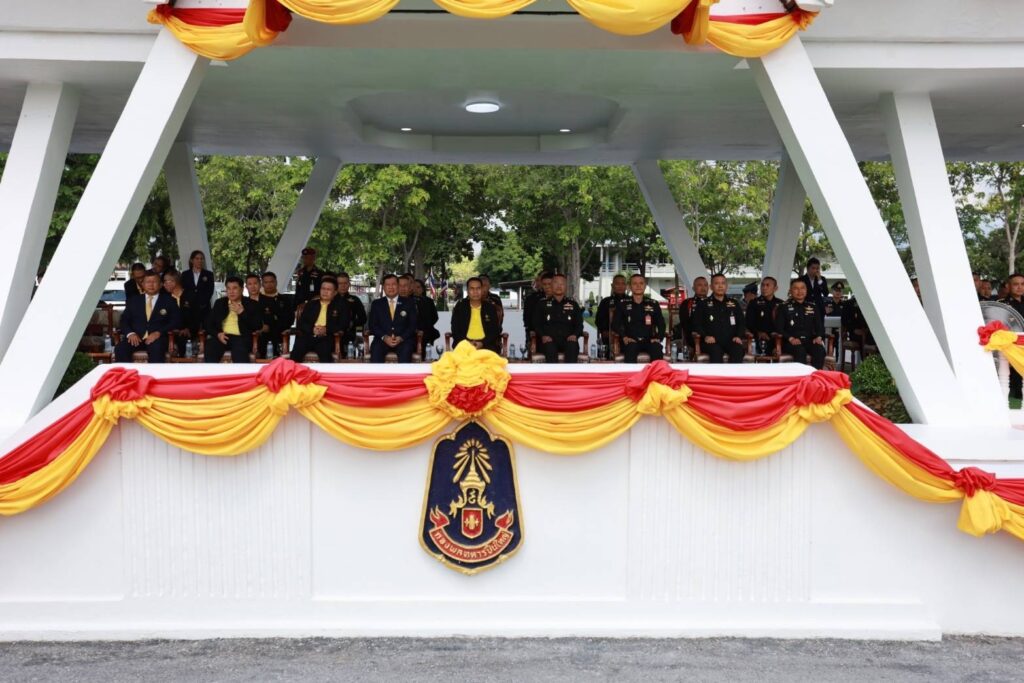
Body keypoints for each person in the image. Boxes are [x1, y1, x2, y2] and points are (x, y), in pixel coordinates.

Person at [114, 270, 180, 363]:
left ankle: (153, 373)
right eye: (148, 282)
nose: (151, 285)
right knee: (120, 348)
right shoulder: (134, 300)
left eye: (154, 282)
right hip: (136, 338)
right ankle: (127, 373)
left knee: (157, 348)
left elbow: (176, 321)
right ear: (143, 284)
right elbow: (124, 320)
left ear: (161, 284)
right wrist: (130, 333)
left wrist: (159, 332)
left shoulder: (169, 301)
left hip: (157, 339)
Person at [289, 277, 348, 363]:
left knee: (325, 353)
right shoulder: (311, 304)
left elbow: (343, 324)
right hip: (309, 335)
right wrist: (312, 329)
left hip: (327, 337)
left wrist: (326, 329)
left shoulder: (341, 306)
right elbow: (302, 323)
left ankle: (325, 372)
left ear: (335, 292)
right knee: (297, 350)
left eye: (328, 289)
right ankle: (292, 371)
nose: (325, 292)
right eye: (323, 289)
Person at [204, 276, 261, 363]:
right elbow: (208, 324)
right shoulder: (220, 303)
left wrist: (242, 313)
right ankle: (211, 372)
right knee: (211, 347)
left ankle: (240, 372)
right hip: (223, 336)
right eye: (228, 288)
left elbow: (257, 325)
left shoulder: (252, 304)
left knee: (240, 352)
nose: (231, 292)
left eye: (235, 288)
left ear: (242, 289)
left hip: (241, 338)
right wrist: (218, 334)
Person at [613, 274, 665, 364]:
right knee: (631, 348)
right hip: (631, 341)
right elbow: (615, 324)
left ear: (645, 286)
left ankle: (657, 373)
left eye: (641, 283)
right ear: (630, 287)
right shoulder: (622, 304)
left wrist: (658, 338)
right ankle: (632, 373)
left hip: (649, 340)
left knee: (656, 348)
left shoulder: (653, 304)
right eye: (635, 283)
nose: (638, 286)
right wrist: (624, 336)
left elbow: (661, 324)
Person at [776, 280, 827, 369]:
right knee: (800, 350)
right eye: (796, 288)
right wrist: (790, 338)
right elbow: (779, 328)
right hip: (790, 342)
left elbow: (820, 326)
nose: (799, 291)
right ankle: (801, 376)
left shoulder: (813, 306)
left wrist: (819, 337)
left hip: (809, 341)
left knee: (819, 349)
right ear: (790, 291)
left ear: (806, 290)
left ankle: (815, 375)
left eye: (802, 288)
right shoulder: (783, 307)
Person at [695, 273, 746, 364]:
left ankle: (735, 373)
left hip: (731, 340)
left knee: (737, 349)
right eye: (717, 283)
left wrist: (738, 336)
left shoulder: (734, 303)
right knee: (716, 351)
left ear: (726, 286)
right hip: (711, 342)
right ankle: (717, 374)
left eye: (723, 283)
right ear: (711, 287)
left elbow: (742, 323)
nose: (720, 286)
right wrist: (705, 336)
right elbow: (696, 324)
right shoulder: (703, 304)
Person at [533, 274, 583, 364]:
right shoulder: (542, 304)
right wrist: (543, 335)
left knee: (572, 346)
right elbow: (537, 324)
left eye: (562, 283)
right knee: (550, 348)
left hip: (568, 340)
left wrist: (575, 335)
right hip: (548, 340)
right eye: (556, 283)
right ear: (551, 285)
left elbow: (579, 325)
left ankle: (570, 373)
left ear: (566, 287)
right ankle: (553, 374)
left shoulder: (573, 305)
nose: (559, 286)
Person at [369, 274, 418, 363]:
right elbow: (373, 325)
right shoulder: (377, 304)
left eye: (393, 284)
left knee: (406, 351)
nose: (391, 287)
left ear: (398, 286)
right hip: (382, 340)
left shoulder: (409, 303)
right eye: (388, 285)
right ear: (383, 287)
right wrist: (385, 337)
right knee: (376, 350)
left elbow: (413, 325)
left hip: (403, 341)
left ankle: (403, 374)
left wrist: (401, 338)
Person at [451, 277, 502, 353]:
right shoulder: (460, 307)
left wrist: (482, 343)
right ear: (467, 291)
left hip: (486, 347)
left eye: (478, 288)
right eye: (472, 289)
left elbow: (495, 330)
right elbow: (455, 330)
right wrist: (468, 343)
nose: (475, 292)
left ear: (482, 290)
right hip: (464, 346)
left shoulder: (490, 308)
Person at [257, 272, 294, 359]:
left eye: (271, 282)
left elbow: (290, 318)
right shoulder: (258, 299)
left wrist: (275, 324)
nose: (269, 285)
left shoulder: (285, 299)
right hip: (262, 333)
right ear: (262, 284)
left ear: (276, 282)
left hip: (279, 332)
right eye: (266, 282)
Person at [1000, 274, 1024, 400]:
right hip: (1012, 347)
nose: (1020, 287)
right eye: (1015, 284)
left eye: (1022, 284)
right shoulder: (1002, 305)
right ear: (1008, 286)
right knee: (1015, 382)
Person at [163, 270, 198, 358]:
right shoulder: (164, 298)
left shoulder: (190, 295)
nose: (164, 284)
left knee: (183, 339)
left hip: (187, 332)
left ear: (174, 282)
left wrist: (189, 329)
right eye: (164, 282)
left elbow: (197, 316)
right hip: (168, 332)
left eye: (166, 281)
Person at [745, 276, 781, 354]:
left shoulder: (781, 304)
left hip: (778, 337)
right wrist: (758, 332)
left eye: (768, 285)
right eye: (762, 285)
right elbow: (749, 323)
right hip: (760, 337)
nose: (764, 288)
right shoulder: (754, 303)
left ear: (775, 288)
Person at [596, 274, 628, 359]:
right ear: (612, 285)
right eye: (617, 283)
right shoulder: (605, 302)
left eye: (623, 283)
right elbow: (599, 320)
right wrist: (605, 331)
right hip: (610, 335)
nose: (620, 286)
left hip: (627, 335)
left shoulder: (630, 301)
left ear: (626, 286)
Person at [181, 250, 215, 327]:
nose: (200, 261)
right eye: (197, 258)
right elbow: (183, 290)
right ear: (191, 260)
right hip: (189, 308)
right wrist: (187, 303)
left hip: (204, 308)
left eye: (201, 259)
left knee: (205, 329)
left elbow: (210, 290)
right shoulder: (185, 274)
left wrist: (202, 303)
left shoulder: (208, 274)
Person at [336, 272, 366, 356]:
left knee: (355, 341)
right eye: (340, 283)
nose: (343, 286)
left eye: (345, 283)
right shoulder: (331, 299)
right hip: (334, 332)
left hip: (350, 331)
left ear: (349, 284)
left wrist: (353, 323)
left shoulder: (355, 300)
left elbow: (363, 318)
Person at [677, 276, 709, 349]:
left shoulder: (713, 302)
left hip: (713, 336)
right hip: (694, 336)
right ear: (693, 288)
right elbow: (685, 324)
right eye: (699, 285)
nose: (703, 288)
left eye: (705, 285)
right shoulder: (687, 303)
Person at [523, 271, 553, 340]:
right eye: (544, 283)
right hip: (537, 335)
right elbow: (528, 319)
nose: (547, 286)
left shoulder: (562, 300)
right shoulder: (532, 299)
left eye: (549, 283)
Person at [413, 278, 441, 352]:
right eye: (413, 287)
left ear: (422, 289)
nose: (415, 289)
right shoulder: (408, 300)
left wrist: (426, 327)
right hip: (412, 333)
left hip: (426, 332)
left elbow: (435, 317)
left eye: (418, 287)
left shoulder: (429, 301)